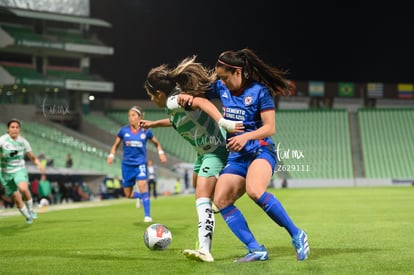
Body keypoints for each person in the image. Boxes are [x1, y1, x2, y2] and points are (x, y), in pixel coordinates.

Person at [177, 49, 310, 262]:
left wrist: (246, 137)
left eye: (225, 77)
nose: (222, 82)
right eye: (220, 78)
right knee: (221, 200)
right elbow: (200, 96)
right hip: (237, 156)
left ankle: (297, 234)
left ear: (238, 72)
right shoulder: (221, 86)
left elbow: (270, 128)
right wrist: (187, 96)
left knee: (255, 191)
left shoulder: (260, 92)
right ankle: (256, 249)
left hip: (260, 149)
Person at [141, 57, 241, 262]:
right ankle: (224, 195)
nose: (151, 100)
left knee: (202, 198)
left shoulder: (172, 100)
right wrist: (153, 124)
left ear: (159, 94)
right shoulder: (173, 102)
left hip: (214, 150)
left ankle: (205, 249)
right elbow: (175, 120)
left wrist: (224, 122)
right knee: (199, 189)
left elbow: (203, 102)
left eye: (151, 96)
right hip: (202, 153)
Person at [107, 106, 167, 223]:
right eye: (129, 115)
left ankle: (147, 216)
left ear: (140, 117)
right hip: (127, 165)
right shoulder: (123, 131)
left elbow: (157, 143)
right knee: (128, 194)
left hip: (140, 164)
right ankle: (139, 197)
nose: (130, 118)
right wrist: (111, 155)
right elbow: (115, 145)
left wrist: (161, 153)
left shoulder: (146, 131)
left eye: (133, 115)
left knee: (143, 186)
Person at [0, 118, 45, 224]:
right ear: (8, 129)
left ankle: (31, 210)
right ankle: (27, 216)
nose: (15, 129)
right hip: (5, 172)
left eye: (17, 127)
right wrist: (4, 155)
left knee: (23, 188)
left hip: (19, 169)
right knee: (16, 198)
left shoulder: (23, 142)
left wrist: (39, 164)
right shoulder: (2, 140)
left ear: (19, 129)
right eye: (12, 127)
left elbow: (32, 157)